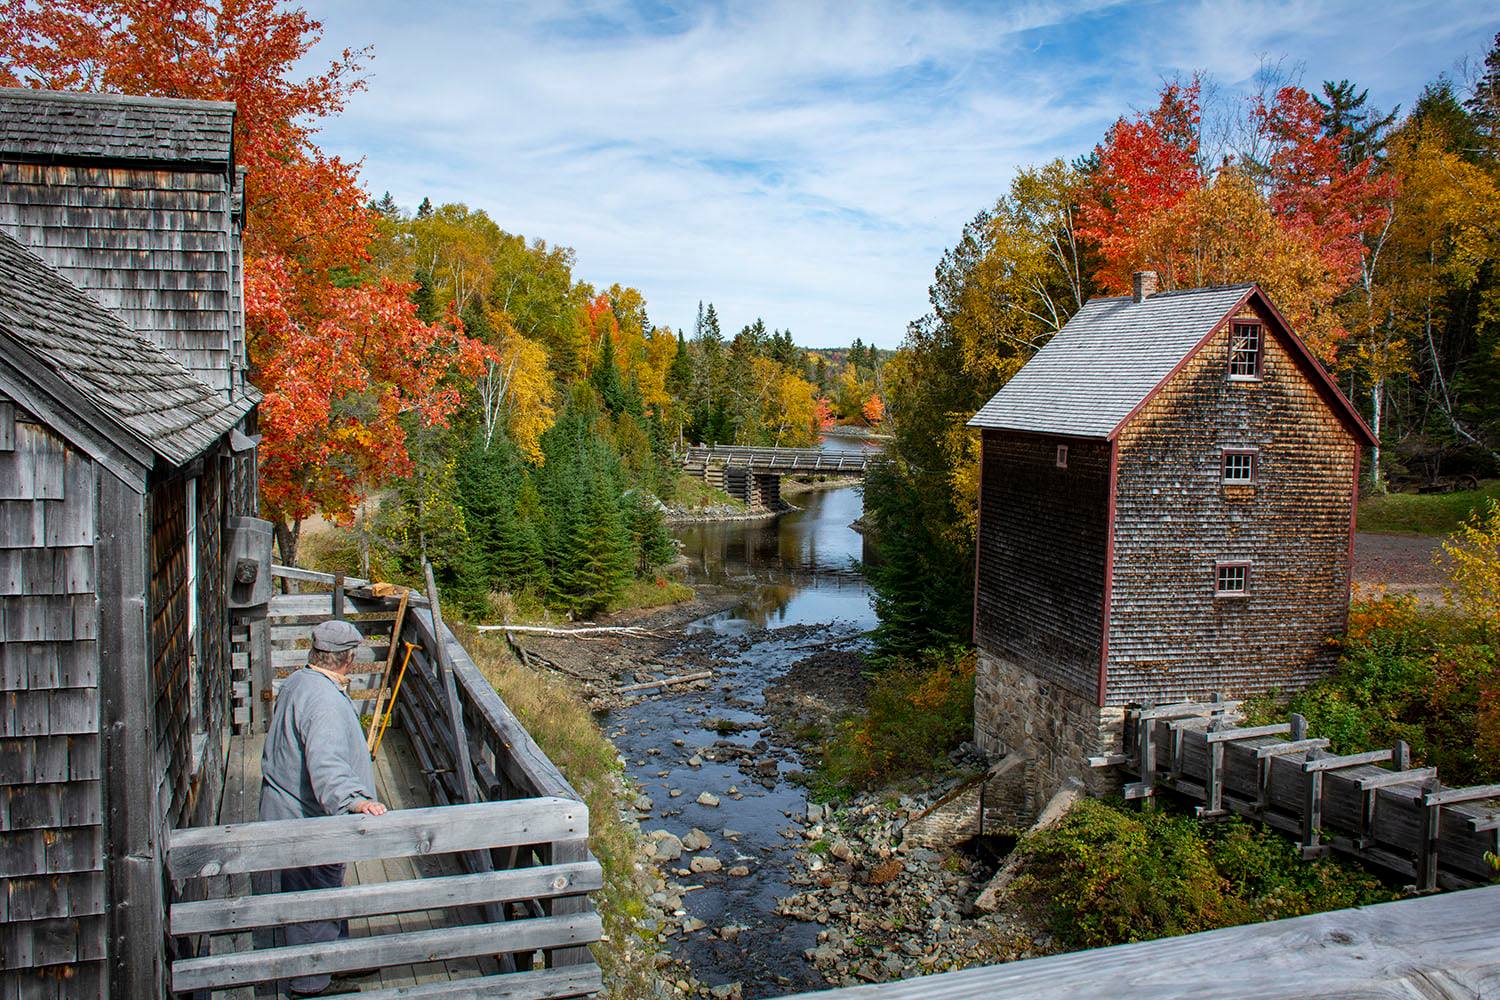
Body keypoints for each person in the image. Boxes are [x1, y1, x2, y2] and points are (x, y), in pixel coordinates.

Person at [260, 618, 388, 998]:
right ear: (347, 660)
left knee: (324, 891)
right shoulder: (325, 700)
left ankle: (335, 961)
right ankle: (310, 984)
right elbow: (326, 762)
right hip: (306, 820)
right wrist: (355, 800)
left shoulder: (300, 681)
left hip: (291, 808)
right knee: (312, 897)